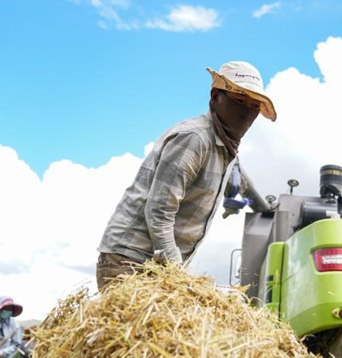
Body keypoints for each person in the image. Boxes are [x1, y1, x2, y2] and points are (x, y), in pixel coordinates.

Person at [96, 61, 277, 291]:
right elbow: (159, 212)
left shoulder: (226, 148)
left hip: (157, 267)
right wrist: (177, 277)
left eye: (252, 105)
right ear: (215, 96)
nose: (245, 111)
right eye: (239, 101)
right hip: (130, 261)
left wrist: (265, 208)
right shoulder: (194, 139)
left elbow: (239, 177)